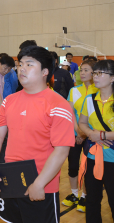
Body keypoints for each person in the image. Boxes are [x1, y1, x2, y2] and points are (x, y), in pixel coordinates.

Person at [0, 45, 75, 223]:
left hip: (41, 184)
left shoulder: (59, 105)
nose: (22, 68)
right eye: (20, 64)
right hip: (11, 181)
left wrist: (40, 184)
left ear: (45, 72)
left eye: (29, 64)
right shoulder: (9, 101)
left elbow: (61, 151)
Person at [77, 59, 114, 223]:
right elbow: (82, 123)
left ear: (112, 78)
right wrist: (91, 134)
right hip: (93, 157)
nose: (95, 76)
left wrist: (102, 136)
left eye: (100, 73)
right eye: (95, 73)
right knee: (92, 200)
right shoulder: (90, 100)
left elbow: (101, 134)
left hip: (112, 159)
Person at [61, 60, 97, 213]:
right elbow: (70, 113)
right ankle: (74, 194)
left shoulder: (100, 90)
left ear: (94, 73)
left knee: (88, 168)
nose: (82, 73)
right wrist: (78, 131)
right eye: (81, 70)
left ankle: (85, 195)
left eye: (86, 70)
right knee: (73, 165)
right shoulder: (74, 90)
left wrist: (85, 133)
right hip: (75, 134)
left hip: (92, 136)